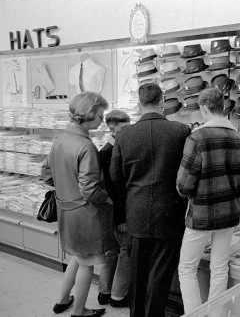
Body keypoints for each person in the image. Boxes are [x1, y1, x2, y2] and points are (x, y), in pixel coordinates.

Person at [110, 82, 190, 317]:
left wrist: (129, 199)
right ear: (162, 100)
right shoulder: (181, 131)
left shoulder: (124, 135)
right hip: (170, 211)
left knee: (137, 273)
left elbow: (115, 178)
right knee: (162, 273)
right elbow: (187, 173)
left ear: (139, 103)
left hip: (136, 211)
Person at [176, 88, 240, 313]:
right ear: (223, 108)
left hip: (201, 213)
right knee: (220, 267)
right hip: (229, 213)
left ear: (204, 108)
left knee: (187, 268)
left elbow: (184, 184)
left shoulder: (197, 138)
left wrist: (185, 194)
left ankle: (194, 314)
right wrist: (236, 207)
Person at [41, 92, 113, 317]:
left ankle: (62, 300)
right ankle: (79, 311)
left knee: (77, 256)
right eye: (100, 115)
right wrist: (106, 198)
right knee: (88, 262)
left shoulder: (60, 139)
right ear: (89, 115)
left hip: (65, 209)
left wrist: (65, 185)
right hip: (85, 214)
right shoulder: (86, 146)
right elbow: (90, 189)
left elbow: (46, 174)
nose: (102, 120)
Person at [97, 110, 131, 308]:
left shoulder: (106, 150)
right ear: (112, 128)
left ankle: (104, 292)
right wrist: (122, 218)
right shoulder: (110, 153)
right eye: (125, 128)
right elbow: (116, 190)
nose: (129, 131)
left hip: (108, 213)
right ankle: (118, 296)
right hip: (118, 214)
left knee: (111, 252)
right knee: (124, 251)